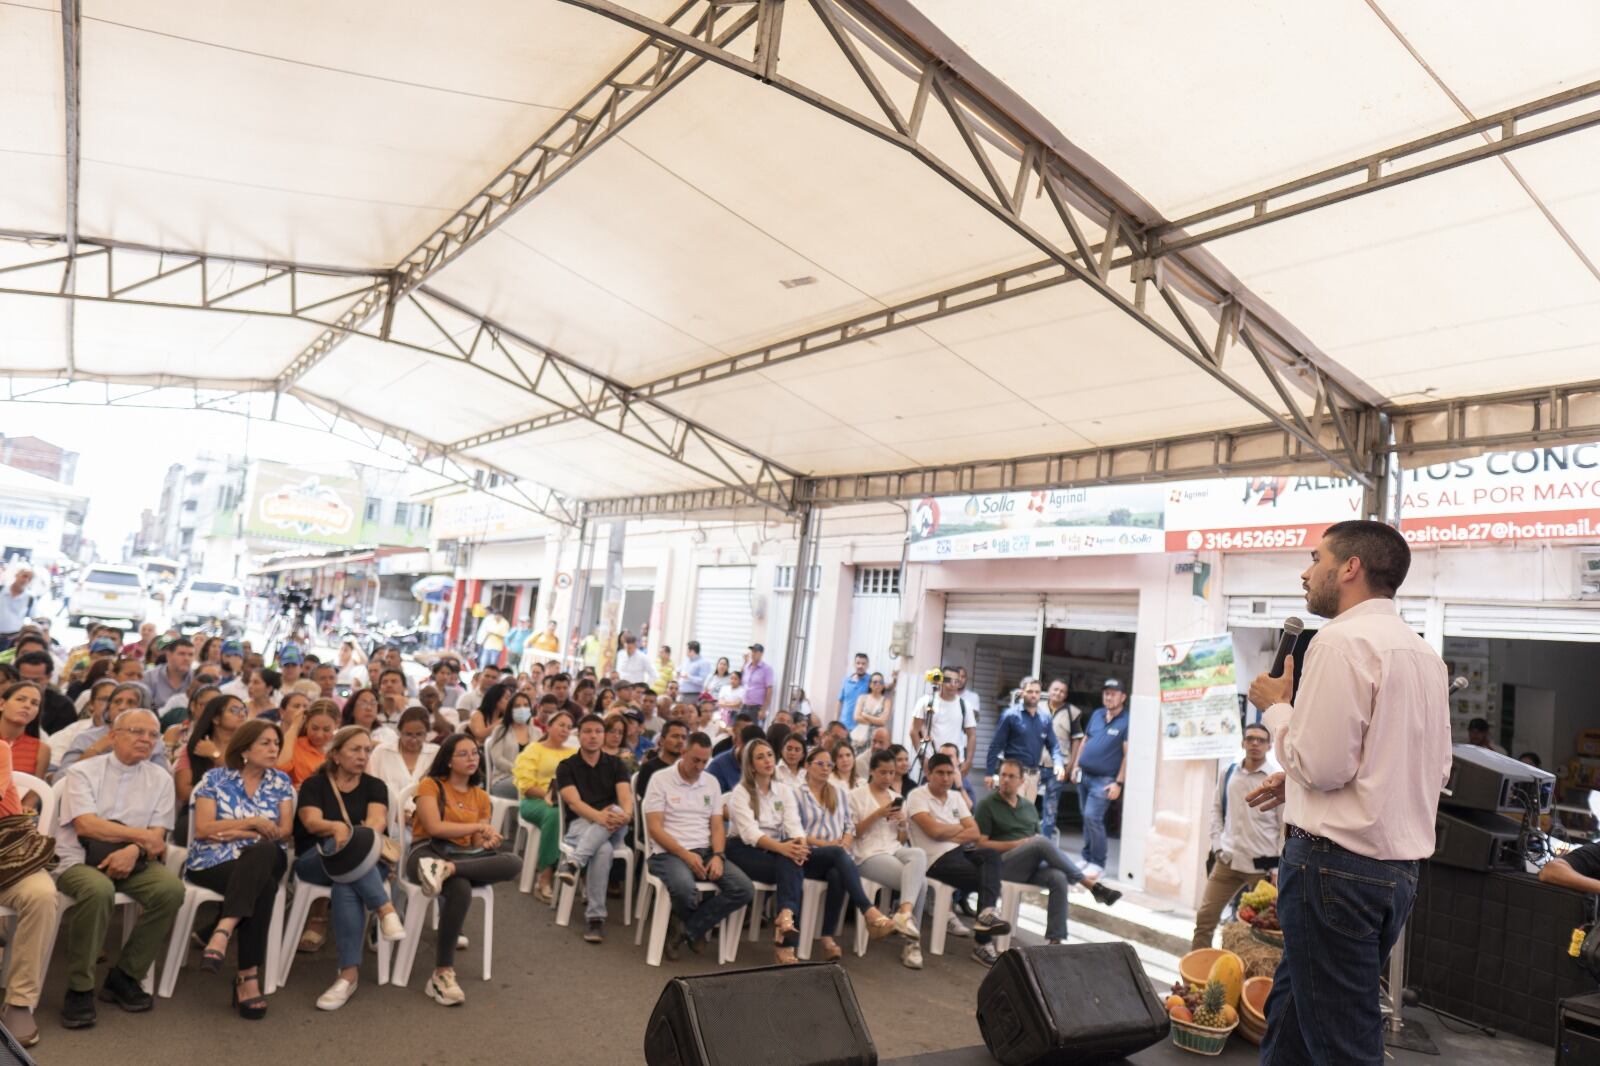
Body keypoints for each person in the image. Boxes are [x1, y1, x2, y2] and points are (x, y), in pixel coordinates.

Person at [1244, 520, 1452, 1066]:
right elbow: (1429, 768)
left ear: (1350, 568)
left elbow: (1324, 764)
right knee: (1291, 1024)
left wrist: (1276, 706)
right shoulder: (1424, 655)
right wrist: (1295, 779)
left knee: (1345, 1046)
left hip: (1334, 870)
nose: (1305, 573)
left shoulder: (1339, 641)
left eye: (1316, 558)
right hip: (1394, 875)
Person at [54, 708, 185, 1029]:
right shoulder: (83, 772)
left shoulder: (160, 778)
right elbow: (86, 826)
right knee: (98, 890)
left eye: (153, 735)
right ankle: (80, 987)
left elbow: (159, 837)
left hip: (134, 859)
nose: (146, 740)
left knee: (170, 890)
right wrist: (140, 838)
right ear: (113, 735)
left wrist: (131, 849)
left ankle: (125, 976)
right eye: (137, 732)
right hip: (79, 858)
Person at [292, 726, 407, 1009]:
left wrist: (352, 841)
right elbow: (311, 822)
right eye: (355, 749)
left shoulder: (374, 786)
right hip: (315, 859)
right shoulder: (314, 785)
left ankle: (348, 975)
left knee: (346, 880)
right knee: (335, 847)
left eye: (367, 750)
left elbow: (377, 822)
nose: (363, 756)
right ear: (335, 755)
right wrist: (337, 828)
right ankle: (385, 909)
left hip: (366, 858)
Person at [186, 719, 294, 1020]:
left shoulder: (280, 782)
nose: (274, 749)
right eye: (266, 743)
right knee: (265, 887)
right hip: (213, 860)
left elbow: (283, 831)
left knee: (263, 852)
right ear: (245, 748)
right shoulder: (215, 779)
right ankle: (247, 978)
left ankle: (223, 930)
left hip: (266, 855)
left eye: (276, 744)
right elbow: (204, 828)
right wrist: (252, 824)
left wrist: (240, 833)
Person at [408, 734, 520, 1005]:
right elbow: (434, 827)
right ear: (448, 760)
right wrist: (478, 828)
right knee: (460, 888)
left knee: (513, 862)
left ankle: (448, 869)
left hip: (458, 858)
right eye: (464, 754)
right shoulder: (430, 785)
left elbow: (474, 842)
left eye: (474, 753)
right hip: (426, 853)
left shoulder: (480, 796)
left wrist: (487, 839)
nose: (472, 758)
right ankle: (442, 973)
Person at [977, 758, 1120, 947]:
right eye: (1003, 775)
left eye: (1011, 776)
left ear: (1022, 781)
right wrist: (1017, 843)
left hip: (1029, 866)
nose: (1005, 780)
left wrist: (1031, 846)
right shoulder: (988, 804)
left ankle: (1055, 941)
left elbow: (1036, 844)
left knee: (1058, 877)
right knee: (1041, 842)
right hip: (1001, 865)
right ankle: (1090, 885)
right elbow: (981, 844)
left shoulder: (1028, 807)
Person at [794, 746, 918, 961]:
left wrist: (845, 842)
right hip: (807, 853)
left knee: (837, 873)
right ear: (807, 766)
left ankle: (827, 938)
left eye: (828, 765)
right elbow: (794, 831)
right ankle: (870, 912)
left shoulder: (837, 794)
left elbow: (849, 828)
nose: (825, 769)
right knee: (838, 855)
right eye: (820, 764)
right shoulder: (797, 793)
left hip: (836, 854)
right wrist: (827, 844)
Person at [644, 732, 751, 960]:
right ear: (683, 753)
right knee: (685, 889)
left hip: (705, 851)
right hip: (667, 853)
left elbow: (717, 827)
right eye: (695, 760)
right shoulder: (660, 780)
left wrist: (719, 855)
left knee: (743, 888)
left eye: (705, 761)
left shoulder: (710, 782)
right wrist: (684, 854)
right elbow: (655, 828)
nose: (700, 766)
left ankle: (688, 928)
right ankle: (693, 927)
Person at [905, 753, 1011, 966]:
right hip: (933, 859)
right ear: (928, 773)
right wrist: (959, 828)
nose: (946, 778)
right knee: (988, 880)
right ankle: (982, 943)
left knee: (990, 855)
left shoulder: (955, 797)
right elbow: (933, 831)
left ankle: (987, 914)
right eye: (940, 773)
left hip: (961, 852)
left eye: (949, 773)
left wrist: (949, 831)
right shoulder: (917, 796)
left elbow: (975, 832)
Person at [0, 685, 58, 1046]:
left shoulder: (1, 749)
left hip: (7, 854)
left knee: (41, 893)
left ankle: (20, 1001)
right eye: (22, 698)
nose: (27, 707)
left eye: (33, 702)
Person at [1191, 722, 1281, 950]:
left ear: (1269, 746)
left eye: (1261, 740)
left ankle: (1247, 981)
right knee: (1204, 919)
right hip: (1228, 861)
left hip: (1261, 867)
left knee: (1261, 930)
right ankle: (1193, 979)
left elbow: (1284, 827)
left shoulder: (1275, 780)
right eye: (1250, 738)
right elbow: (1216, 811)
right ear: (1243, 743)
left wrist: (1278, 868)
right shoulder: (1228, 773)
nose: (1255, 743)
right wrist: (1218, 846)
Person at [554, 714, 634, 943]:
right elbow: (574, 803)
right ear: (578, 736)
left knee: (618, 812)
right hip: (581, 824)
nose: (593, 736)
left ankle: (573, 863)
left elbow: (625, 797)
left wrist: (626, 815)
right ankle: (596, 919)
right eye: (587, 731)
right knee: (603, 850)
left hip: (615, 825)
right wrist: (599, 816)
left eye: (598, 731)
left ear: (604, 735)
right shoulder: (567, 766)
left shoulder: (616, 764)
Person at [851, 749, 930, 969]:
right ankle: (912, 944)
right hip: (868, 853)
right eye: (883, 772)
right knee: (920, 883)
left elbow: (901, 838)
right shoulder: (857, 795)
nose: (887, 778)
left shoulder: (896, 797)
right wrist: (878, 814)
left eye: (891, 773)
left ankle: (904, 914)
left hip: (893, 848)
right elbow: (854, 833)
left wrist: (903, 822)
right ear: (872, 772)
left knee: (918, 853)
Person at [511, 708, 577, 902]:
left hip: (567, 803)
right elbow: (526, 784)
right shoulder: (534, 749)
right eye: (561, 725)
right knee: (555, 815)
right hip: (535, 801)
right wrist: (550, 795)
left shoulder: (573, 753)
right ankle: (544, 877)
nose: (565, 730)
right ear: (549, 727)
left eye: (569, 727)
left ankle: (576, 875)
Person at [1068, 678, 1129, 879]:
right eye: (1106, 693)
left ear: (1123, 697)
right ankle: (1086, 857)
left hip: (1104, 780)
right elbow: (1085, 741)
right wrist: (1076, 766)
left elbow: (1128, 755)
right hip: (1084, 775)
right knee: (1085, 818)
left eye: (1113, 693)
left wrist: (1118, 783)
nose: (1108, 696)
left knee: (1092, 818)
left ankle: (1098, 863)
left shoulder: (1127, 721)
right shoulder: (1097, 714)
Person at [59, 681, 170, 774]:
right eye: (117, 701)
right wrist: (96, 748)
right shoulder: (85, 738)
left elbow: (163, 781)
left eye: (131, 702)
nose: (122, 707)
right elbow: (60, 779)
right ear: (109, 708)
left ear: (143, 709)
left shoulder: (152, 741)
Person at [984, 678, 1064, 802]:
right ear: (1022, 693)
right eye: (1030, 691)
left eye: (1037, 692)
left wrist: (1058, 763)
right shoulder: (1011, 715)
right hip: (1013, 775)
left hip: (1033, 776)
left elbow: (1053, 745)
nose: (1034, 695)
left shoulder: (1045, 718)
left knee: (1025, 816)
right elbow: (996, 745)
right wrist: (989, 773)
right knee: (1011, 814)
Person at [909, 667, 977, 782]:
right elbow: (913, 731)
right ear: (940, 680)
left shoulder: (965, 705)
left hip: (955, 764)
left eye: (956, 681)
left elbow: (972, 735)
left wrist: (968, 761)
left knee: (956, 797)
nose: (952, 684)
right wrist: (923, 757)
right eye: (948, 680)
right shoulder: (926, 701)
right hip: (932, 761)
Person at [369, 707, 439, 802]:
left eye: (419, 734)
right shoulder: (381, 752)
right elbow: (371, 786)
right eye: (408, 734)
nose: (414, 740)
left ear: (427, 734)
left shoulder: (436, 753)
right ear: (399, 732)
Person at [1039, 678, 1079, 844]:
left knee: (1051, 806)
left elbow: (1077, 740)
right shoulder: (1037, 707)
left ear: (1066, 694)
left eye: (1062, 691)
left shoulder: (1073, 712)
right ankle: (1023, 838)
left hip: (1058, 767)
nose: (1058, 693)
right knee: (1024, 801)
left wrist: (1071, 765)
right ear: (1049, 689)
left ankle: (1045, 842)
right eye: (1055, 689)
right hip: (1034, 764)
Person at [480, 683, 534, 799]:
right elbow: (498, 760)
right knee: (532, 787)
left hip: (531, 777)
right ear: (510, 709)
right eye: (517, 706)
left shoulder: (537, 732)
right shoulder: (501, 730)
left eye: (525, 705)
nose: (522, 709)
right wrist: (519, 771)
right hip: (504, 778)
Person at [278, 698, 339, 786]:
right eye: (314, 728)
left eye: (326, 729)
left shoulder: (341, 747)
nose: (319, 735)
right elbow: (279, 767)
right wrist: (295, 725)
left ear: (337, 724)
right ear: (306, 723)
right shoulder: (295, 745)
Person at [13, 651, 76, 735]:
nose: (29, 685)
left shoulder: (63, 706)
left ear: (49, 677)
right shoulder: (6, 698)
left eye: (35, 681)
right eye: (24, 679)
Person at [0, 682, 50, 783]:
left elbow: (35, 792)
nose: (27, 705)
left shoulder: (42, 750)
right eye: (20, 699)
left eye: (34, 703)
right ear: (2, 704)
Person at [636, 719, 688, 803]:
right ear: (662, 741)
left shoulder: (688, 768)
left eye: (684, 737)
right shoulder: (649, 768)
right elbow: (648, 801)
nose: (680, 741)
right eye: (675, 736)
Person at [707, 723, 764, 792]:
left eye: (758, 755)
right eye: (749, 752)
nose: (752, 757)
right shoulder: (718, 767)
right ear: (739, 743)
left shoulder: (762, 764)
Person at [142, 637, 195, 710]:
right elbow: (145, 706)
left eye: (190, 655)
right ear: (169, 656)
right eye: (182, 654)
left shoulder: (197, 678)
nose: (187, 658)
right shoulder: (149, 677)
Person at [851, 671, 894, 751]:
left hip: (877, 740)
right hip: (861, 738)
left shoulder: (886, 701)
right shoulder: (862, 698)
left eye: (880, 682)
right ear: (870, 684)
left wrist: (865, 715)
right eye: (875, 682)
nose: (878, 684)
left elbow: (883, 722)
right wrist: (875, 721)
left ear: (883, 685)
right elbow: (856, 717)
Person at [0, 567, 33, 651]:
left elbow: (31, 618)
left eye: (29, 578)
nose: (26, 580)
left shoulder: (30, 598)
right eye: (24, 576)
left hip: (11, 640)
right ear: (16, 575)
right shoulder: (1, 590)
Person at [741, 643, 775, 723]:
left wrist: (764, 709)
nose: (753, 654)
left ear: (761, 654)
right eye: (752, 651)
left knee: (754, 732)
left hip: (757, 708)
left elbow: (769, 689)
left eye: (756, 652)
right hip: (745, 705)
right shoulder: (747, 667)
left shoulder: (767, 669)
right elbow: (743, 683)